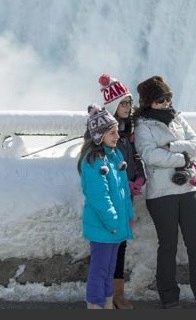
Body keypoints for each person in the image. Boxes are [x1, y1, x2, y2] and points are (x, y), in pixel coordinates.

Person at [133, 75, 196, 309]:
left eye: (168, 98)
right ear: (148, 103)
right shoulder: (143, 126)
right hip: (161, 195)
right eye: (160, 100)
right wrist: (183, 158)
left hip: (188, 189)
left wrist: (172, 148)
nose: (166, 103)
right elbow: (149, 155)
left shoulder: (177, 117)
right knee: (167, 245)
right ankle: (168, 297)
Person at [77, 104, 135, 309]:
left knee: (109, 270)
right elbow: (100, 198)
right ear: (99, 135)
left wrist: (128, 215)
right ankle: (96, 304)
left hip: (116, 226)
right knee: (99, 269)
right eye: (112, 133)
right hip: (104, 226)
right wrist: (113, 222)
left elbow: (123, 192)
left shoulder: (114, 156)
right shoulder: (94, 161)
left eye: (117, 132)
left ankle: (107, 304)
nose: (117, 136)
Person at [98, 73, 146, 309]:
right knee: (108, 244)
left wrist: (139, 178)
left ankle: (118, 294)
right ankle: (105, 295)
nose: (128, 107)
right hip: (111, 195)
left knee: (121, 244)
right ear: (113, 107)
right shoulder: (104, 132)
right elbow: (99, 167)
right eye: (123, 104)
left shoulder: (129, 129)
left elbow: (134, 158)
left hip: (126, 196)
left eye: (129, 103)